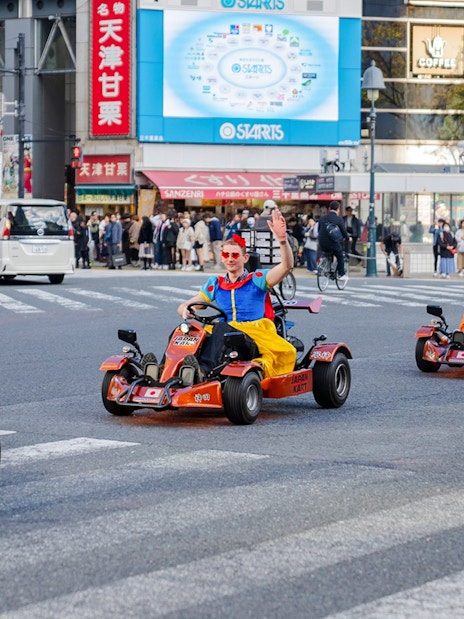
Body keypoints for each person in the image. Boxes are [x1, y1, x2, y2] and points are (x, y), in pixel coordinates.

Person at [176, 208, 296, 380]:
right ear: (222, 257)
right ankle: (166, 370)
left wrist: (282, 240)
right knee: (184, 332)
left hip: (253, 335)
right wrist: (184, 310)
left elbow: (286, 266)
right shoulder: (216, 283)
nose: (230, 258)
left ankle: (202, 371)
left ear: (245, 258)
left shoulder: (258, 279)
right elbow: (188, 304)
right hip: (224, 335)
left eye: (234, 255)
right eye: (226, 254)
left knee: (221, 327)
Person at [317, 201, 350, 280]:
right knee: (340, 256)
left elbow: (319, 230)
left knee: (327, 252)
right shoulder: (339, 219)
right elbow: (343, 231)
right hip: (333, 243)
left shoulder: (322, 218)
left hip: (322, 243)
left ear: (329, 208)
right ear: (338, 209)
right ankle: (341, 274)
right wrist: (348, 238)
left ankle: (324, 265)